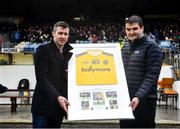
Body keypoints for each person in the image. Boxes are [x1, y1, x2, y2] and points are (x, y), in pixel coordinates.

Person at [120, 15, 163, 128]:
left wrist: (138, 96)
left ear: (142, 28)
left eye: (135, 28)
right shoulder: (125, 47)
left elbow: (151, 76)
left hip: (144, 102)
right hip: (127, 101)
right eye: (128, 29)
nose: (131, 32)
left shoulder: (153, 47)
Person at [31, 21, 73, 128]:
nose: (63, 36)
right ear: (53, 33)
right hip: (43, 107)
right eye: (60, 33)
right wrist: (57, 96)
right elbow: (41, 79)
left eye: (65, 34)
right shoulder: (43, 50)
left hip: (58, 107)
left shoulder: (71, 53)